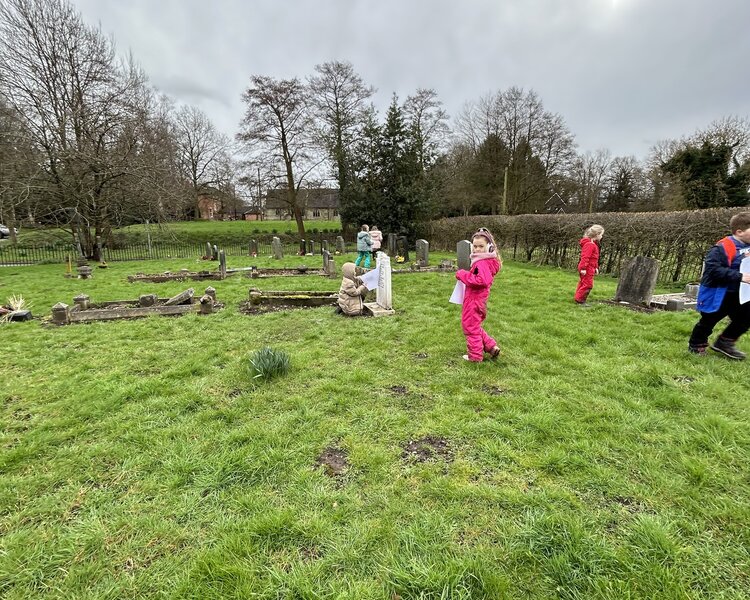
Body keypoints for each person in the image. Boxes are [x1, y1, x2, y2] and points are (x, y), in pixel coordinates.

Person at [688, 212, 750, 359]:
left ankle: (725, 342)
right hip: (720, 293)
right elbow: (713, 270)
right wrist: (740, 276)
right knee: (709, 320)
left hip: (740, 293)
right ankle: (696, 344)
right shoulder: (722, 247)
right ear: (739, 232)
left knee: (746, 317)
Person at [455, 227, 502, 362]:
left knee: (470, 327)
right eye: (474, 246)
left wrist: (463, 274)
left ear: (490, 247)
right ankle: (491, 347)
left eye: (481, 246)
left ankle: (475, 357)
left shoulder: (481, 262)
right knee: (474, 325)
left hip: (474, 300)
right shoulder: (486, 261)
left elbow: (482, 280)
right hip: (479, 300)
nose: (477, 249)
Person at [574, 224, 604, 305]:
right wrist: (583, 268)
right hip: (586, 268)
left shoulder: (592, 244)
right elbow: (585, 257)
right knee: (588, 284)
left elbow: (594, 258)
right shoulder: (589, 245)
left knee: (583, 282)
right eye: (601, 234)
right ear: (597, 234)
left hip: (590, 267)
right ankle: (580, 300)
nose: (601, 236)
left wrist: (596, 267)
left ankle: (578, 297)